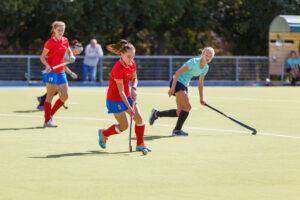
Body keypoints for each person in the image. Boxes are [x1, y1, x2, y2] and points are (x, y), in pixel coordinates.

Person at [98, 39, 151, 152]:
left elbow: (135, 78)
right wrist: (130, 108)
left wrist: (134, 88)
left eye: (133, 56)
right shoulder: (117, 68)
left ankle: (140, 144)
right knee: (124, 126)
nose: (131, 59)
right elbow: (120, 91)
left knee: (139, 118)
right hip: (115, 99)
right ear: (121, 54)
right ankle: (104, 133)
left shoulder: (132, 63)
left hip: (127, 95)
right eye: (128, 56)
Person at [149, 47, 215, 136]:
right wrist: (172, 88)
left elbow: (200, 83)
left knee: (180, 112)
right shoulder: (194, 62)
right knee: (188, 107)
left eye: (210, 57)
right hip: (177, 82)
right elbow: (177, 73)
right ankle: (177, 130)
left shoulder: (206, 67)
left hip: (184, 85)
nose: (207, 58)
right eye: (206, 55)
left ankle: (156, 114)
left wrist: (201, 98)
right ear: (202, 54)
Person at [40, 21, 75, 127]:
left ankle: (50, 115)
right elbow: (42, 57)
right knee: (49, 96)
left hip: (61, 72)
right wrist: (47, 65)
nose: (61, 32)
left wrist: (72, 55)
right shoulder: (49, 42)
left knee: (65, 96)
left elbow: (69, 51)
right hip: (51, 72)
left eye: (62, 30)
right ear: (54, 30)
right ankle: (47, 121)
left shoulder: (65, 40)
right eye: (59, 30)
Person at [37, 40, 83, 110]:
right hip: (54, 72)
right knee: (55, 89)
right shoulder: (67, 52)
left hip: (58, 72)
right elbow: (64, 66)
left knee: (57, 89)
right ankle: (41, 104)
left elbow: (63, 65)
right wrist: (70, 73)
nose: (79, 53)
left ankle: (42, 99)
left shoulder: (70, 54)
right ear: (75, 48)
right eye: (79, 51)